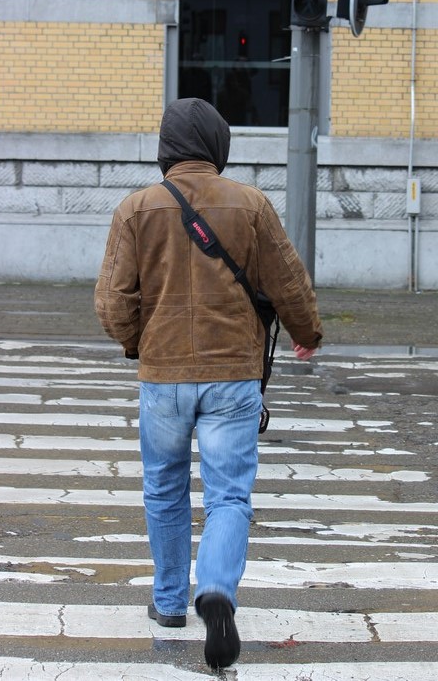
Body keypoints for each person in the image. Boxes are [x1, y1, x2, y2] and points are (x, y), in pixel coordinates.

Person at [94, 97, 322, 670]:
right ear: (219, 145)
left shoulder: (135, 209)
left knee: (164, 488)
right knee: (229, 496)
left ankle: (169, 601)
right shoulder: (250, 204)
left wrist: (138, 344)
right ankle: (215, 589)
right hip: (232, 376)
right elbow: (288, 283)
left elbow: (113, 302)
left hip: (164, 377)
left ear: (166, 148)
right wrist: (307, 334)